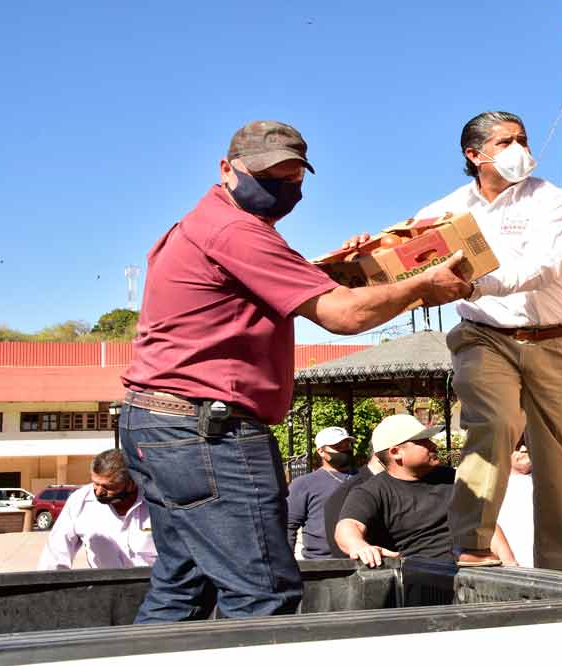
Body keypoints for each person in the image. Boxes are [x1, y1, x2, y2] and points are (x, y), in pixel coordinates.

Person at [119, 120, 472, 623]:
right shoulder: (236, 230)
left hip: (157, 425)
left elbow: (265, 291)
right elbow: (343, 315)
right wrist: (422, 286)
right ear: (226, 169)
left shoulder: (202, 225)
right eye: (267, 176)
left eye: (292, 178)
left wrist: (343, 270)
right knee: (263, 596)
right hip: (207, 431)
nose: (283, 189)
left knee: (183, 590)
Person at [413, 111, 562, 569]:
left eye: (522, 139)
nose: (520, 151)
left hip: (553, 340)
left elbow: (546, 267)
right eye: (506, 142)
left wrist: (475, 284)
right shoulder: (446, 212)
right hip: (483, 336)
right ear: (475, 155)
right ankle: (472, 546)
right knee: (494, 422)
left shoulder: (553, 202)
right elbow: (408, 256)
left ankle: (557, 566)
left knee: (556, 455)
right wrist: (369, 256)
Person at [334, 414, 513, 567]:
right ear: (396, 452)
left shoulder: (453, 478)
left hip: (474, 577)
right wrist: (359, 546)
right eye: (422, 441)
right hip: (420, 586)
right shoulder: (372, 491)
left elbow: (484, 524)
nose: (433, 445)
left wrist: (510, 566)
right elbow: (348, 527)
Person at [38, 449, 156, 570]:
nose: (99, 492)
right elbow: (55, 555)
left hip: (152, 584)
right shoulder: (79, 501)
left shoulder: (157, 502)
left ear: (132, 483)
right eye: (95, 483)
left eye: (107, 486)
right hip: (103, 585)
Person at [287, 426, 365, 559]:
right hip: (321, 563)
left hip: (363, 558)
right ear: (321, 451)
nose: (345, 450)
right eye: (337, 447)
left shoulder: (366, 478)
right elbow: (289, 526)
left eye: (347, 445)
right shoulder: (304, 484)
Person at [496, 439, 534, 567]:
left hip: (546, 570)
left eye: (527, 443)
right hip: (510, 568)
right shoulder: (492, 485)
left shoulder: (549, 482)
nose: (524, 449)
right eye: (516, 447)